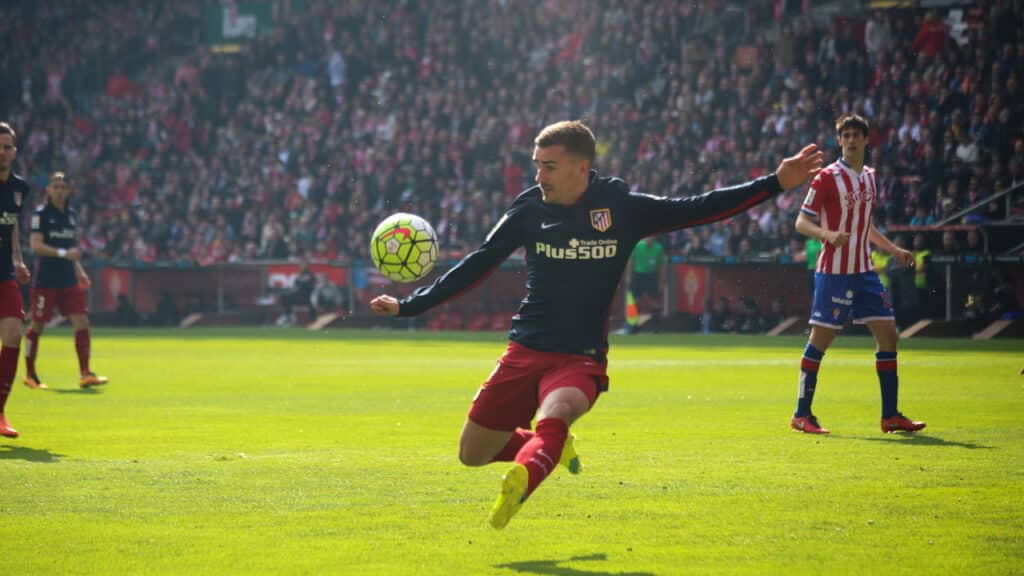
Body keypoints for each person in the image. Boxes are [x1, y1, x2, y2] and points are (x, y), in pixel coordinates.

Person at [370, 120, 823, 528]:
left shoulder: (621, 208)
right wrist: (411, 306)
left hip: (579, 356)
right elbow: (478, 263)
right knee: (472, 454)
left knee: (558, 410)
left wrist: (775, 183)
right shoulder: (528, 210)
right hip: (525, 349)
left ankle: (528, 475)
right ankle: (551, 446)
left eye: (548, 166)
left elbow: (697, 207)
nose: (538, 176)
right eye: (536, 165)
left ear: (580, 168)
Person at [790, 113, 925, 435]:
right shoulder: (826, 177)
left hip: (864, 271)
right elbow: (801, 222)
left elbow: (866, 226)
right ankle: (801, 414)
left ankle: (890, 415)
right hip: (834, 273)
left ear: (866, 140)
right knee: (821, 341)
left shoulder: (869, 177)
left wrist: (893, 250)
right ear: (839, 141)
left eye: (856, 135)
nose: (851, 140)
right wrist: (827, 234)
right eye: (845, 135)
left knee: (889, 334)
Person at [23, 172, 108, 390]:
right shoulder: (40, 215)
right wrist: (63, 254)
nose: (60, 190)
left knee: (82, 322)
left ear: (69, 191)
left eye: (63, 187)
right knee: (38, 326)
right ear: (48, 191)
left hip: (69, 279)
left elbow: (73, 250)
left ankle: (85, 373)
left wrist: (79, 270)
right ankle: (30, 374)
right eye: (56, 186)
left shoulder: (71, 216)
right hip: (46, 280)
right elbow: (35, 245)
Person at [0, 122, 31, 438]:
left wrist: (19, 259)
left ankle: (0, 412)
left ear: (14, 151)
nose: (2, 152)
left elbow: (13, 227)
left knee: (12, 334)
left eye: (7, 146)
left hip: (4, 272)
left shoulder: (20, 188)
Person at [622, 235, 666, 333]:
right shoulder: (637, 246)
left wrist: (661, 281)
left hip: (651, 276)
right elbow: (631, 261)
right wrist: (629, 276)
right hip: (639, 276)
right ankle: (633, 326)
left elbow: (662, 265)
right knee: (636, 301)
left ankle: (656, 327)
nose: (649, 239)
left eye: (651, 237)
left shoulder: (658, 248)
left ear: (654, 238)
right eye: (647, 237)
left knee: (653, 301)